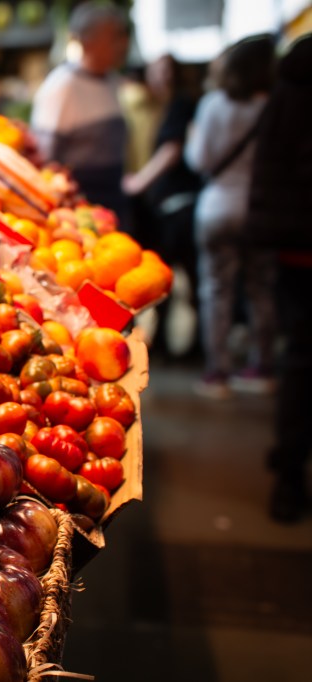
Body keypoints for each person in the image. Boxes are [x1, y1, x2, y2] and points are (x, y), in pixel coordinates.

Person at [241, 34, 312, 523]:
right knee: (304, 366)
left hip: (296, 250)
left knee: (301, 365)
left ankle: (289, 468)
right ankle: (289, 471)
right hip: (301, 249)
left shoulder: (286, 94)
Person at [184, 35, 277, 399]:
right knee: (260, 290)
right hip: (258, 210)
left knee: (216, 291)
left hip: (217, 208)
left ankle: (217, 372)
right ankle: (262, 365)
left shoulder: (213, 105)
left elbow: (200, 161)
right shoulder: (271, 107)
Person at [122, 54, 204, 359]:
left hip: (179, 204)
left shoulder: (180, 105)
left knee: (178, 277)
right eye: (157, 71)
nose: (163, 77)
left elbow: (173, 149)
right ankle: (170, 344)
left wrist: (139, 182)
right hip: (167, 205)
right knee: (169, 277)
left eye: (169, 72)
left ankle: (193, 347)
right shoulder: (160, 106)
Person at [29, 1, 131, 225]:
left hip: (114, 201)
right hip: (78, 212)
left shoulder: (112, 81)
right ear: (88, 41)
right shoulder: (62, 86)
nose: (123, 44)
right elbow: (44, 158)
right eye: (114, 37)